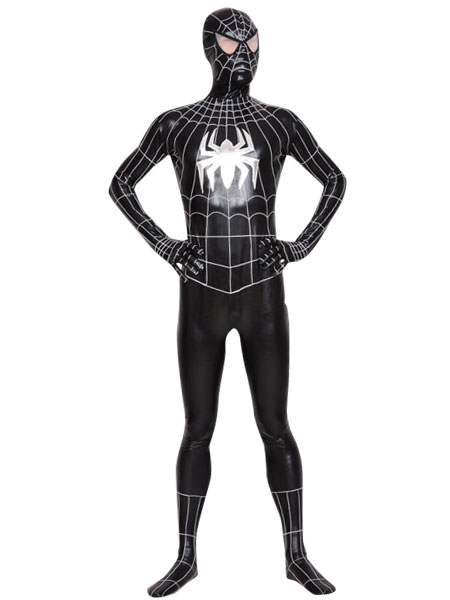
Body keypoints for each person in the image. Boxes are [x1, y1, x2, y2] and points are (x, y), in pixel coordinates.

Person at [109, 7, 346, 596]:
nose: (245, 58)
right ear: (208, 50)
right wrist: (167, 245)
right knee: (197, 428)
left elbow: (336, 179)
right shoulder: (176, 124)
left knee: (276, 426)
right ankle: (186, 557)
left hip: (264, 295)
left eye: (253, 47)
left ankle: (296, 555)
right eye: (232, 47)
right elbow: (120, 183)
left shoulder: (280, 123)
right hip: (201, 298)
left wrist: (300, 245)